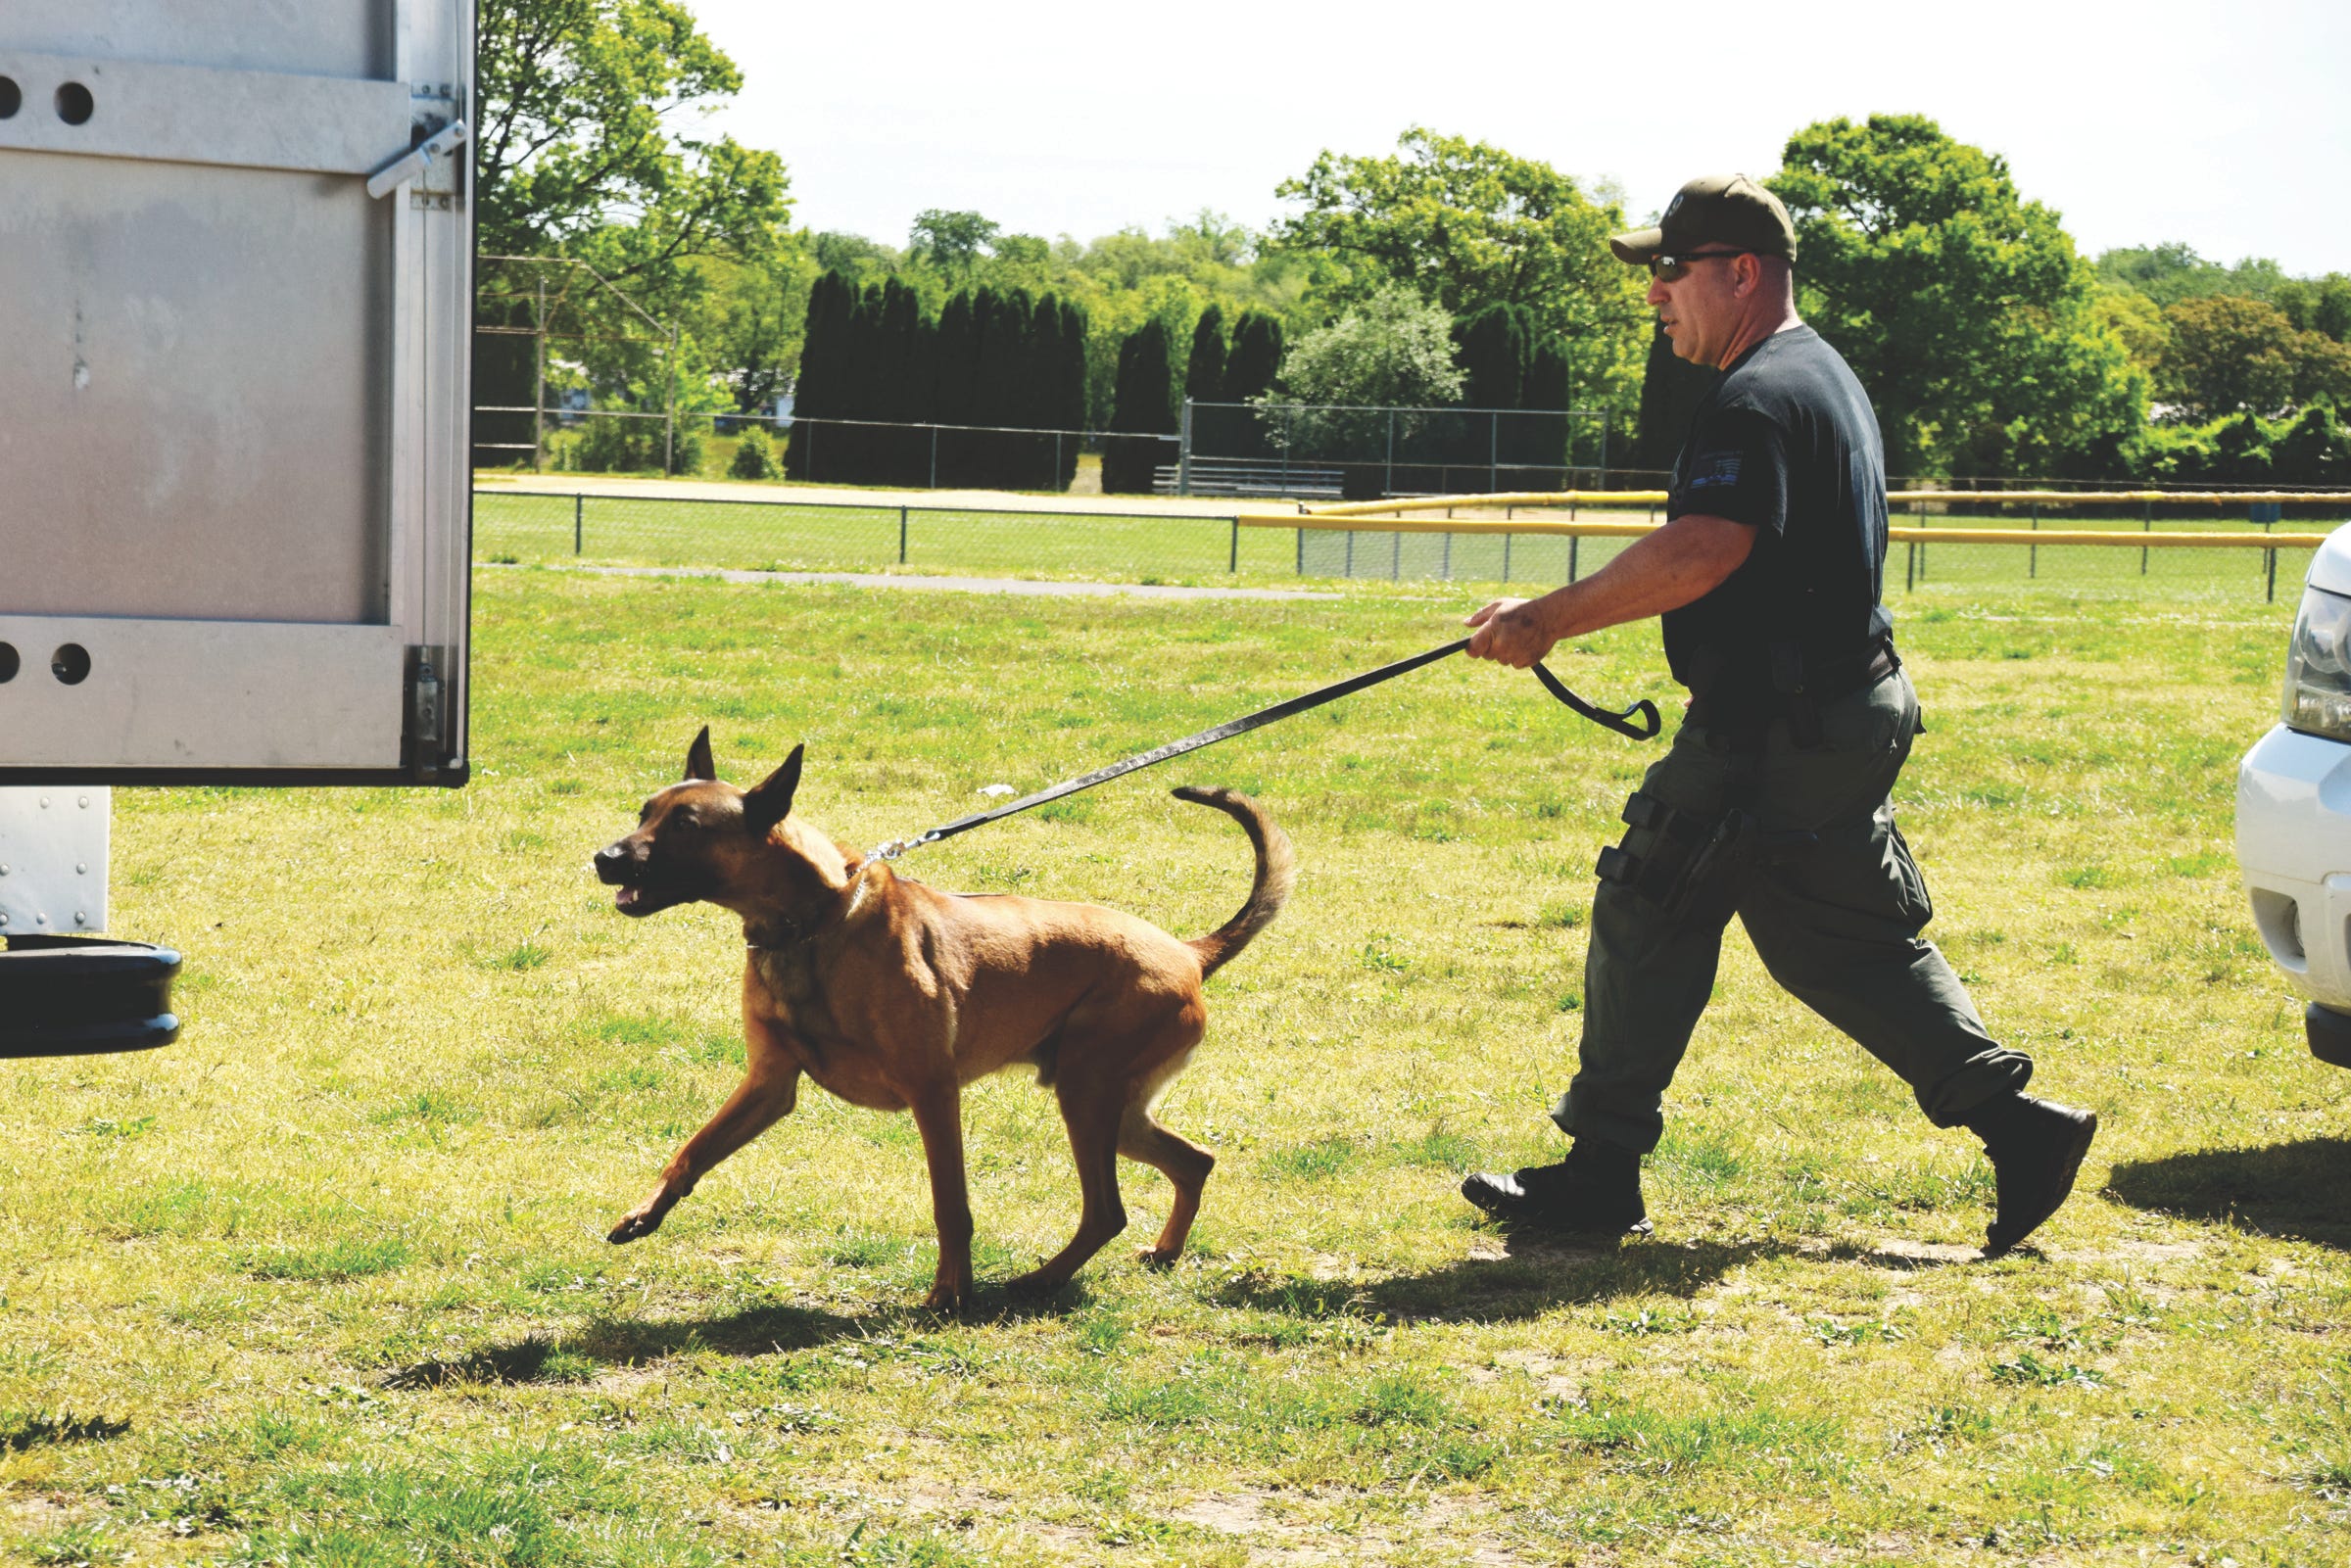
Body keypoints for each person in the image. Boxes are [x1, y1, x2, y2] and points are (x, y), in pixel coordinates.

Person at [1457, 174, 2095, 1259]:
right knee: (1836, 942)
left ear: (1739, 270)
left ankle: (1602, 1173)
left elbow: (1709, 546)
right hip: (1843, 707)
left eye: (1669, 269)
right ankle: (2020, 1126)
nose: (1654, 294)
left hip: (1774, 728)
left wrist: (1548, 619)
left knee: (1649, 901)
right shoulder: (1819, 374)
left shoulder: (1754, 395)